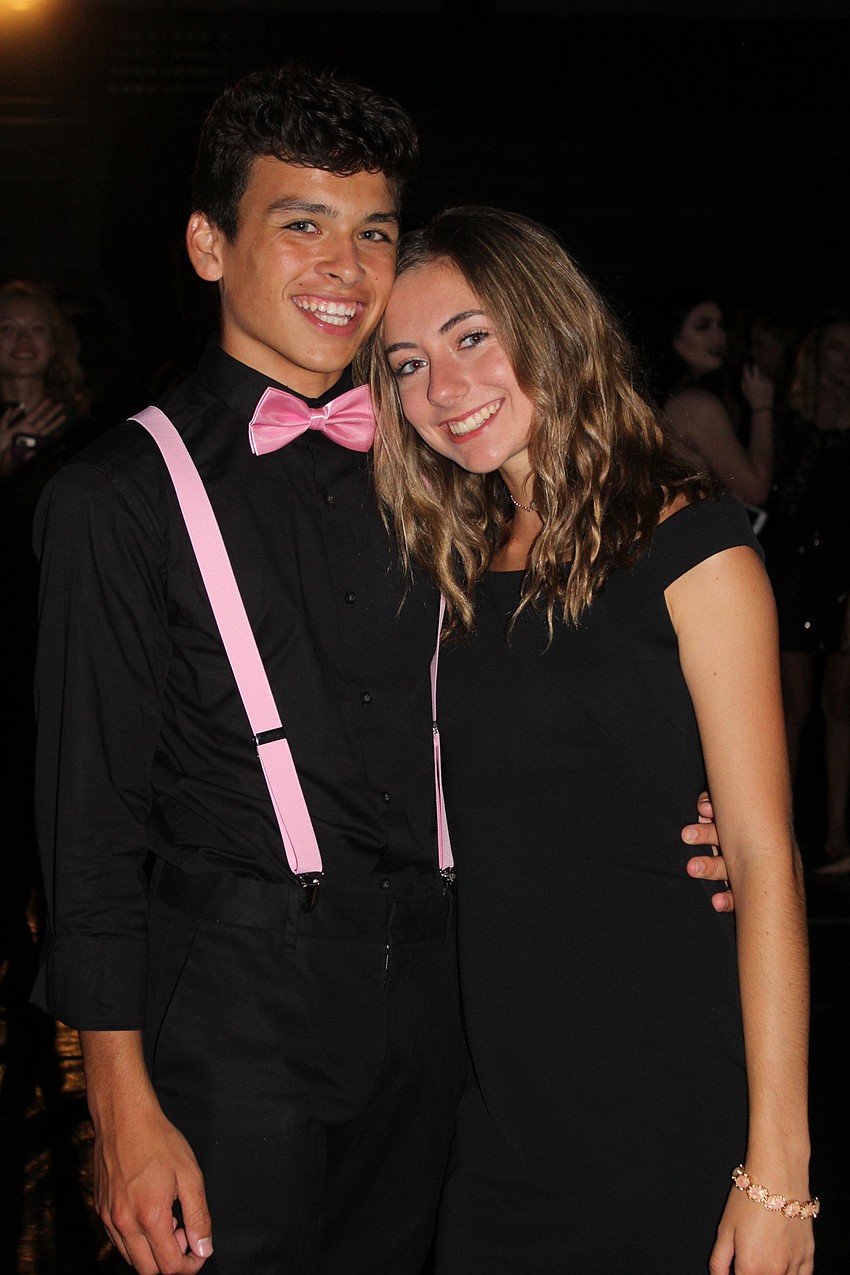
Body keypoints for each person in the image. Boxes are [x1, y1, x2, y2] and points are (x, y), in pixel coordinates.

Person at [30, 68, 728, 1275]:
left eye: (372, 233)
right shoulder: (115, 499)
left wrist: (683, 804)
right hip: (239, 1008)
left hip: (463, 993)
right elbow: (87, 830)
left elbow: (580, 664)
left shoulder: (450, 453)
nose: (344, 267)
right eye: (299, 224)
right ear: (207, 244)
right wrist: (118, 1103)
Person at [365, 206, 815, 1274]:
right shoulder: (453, 567)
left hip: (660, 1098)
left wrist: (779, 1171)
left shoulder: (693, 548)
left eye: (473, 337)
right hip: (505, 1105)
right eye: (408, 363)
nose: (444, 388)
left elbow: (760, 857)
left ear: (551, 325)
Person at [760, 315, 850, 870]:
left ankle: (838, 834)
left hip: (845, 576)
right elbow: (777, 497)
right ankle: (779, 834)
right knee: (791, 707)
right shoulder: (789, 420)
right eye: (838, 350)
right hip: (795, 572)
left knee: (841, 705)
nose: (845, 362)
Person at [655, 295, 776, 507]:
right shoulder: (695, 404)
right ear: (674, 337)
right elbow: (757, 490)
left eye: (721, 325)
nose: (718, 336)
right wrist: (762, 407)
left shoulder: (673, 397)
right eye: (703, 327)